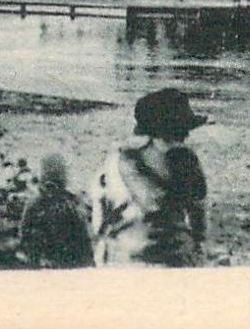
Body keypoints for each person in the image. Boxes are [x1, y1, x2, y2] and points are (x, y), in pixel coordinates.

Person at [91, 88, 209, 267]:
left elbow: (99, 217)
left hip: (125, 255)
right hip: (173, 255)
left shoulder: (115, 159)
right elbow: (198, 219)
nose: (188, 134)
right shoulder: (187, 160)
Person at [20, 155, 93, 268]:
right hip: (63, 262)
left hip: (53, 262)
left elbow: (24, 234)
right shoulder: (72, 202)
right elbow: (85, 238)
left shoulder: (35, 203)